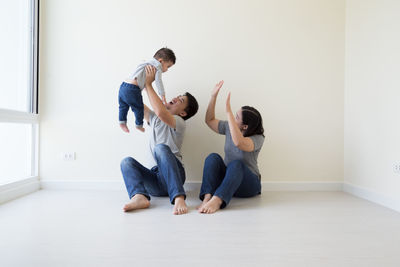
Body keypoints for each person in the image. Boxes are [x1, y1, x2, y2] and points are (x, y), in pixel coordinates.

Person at [121, 66, 199, 215]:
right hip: (155, 181)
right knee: (126, 162)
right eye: (177, 96)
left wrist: (150, 84)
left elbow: (162, 113)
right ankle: (140, 197)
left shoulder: (180, 122)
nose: (175, 98)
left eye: (180, 100)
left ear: (183, 112)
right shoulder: (155, 118)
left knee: (160, 148)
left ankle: (179, 196)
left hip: (174, 175)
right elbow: (136, 104)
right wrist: (134, 84)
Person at [198, 80, 265, 214]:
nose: (232, 118)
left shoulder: (258, 138)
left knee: (236, 164)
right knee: (213, 157)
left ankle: (217, 200)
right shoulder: (229, 127)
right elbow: (209, 120)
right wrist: (213, 96)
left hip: (249, 184)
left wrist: (228, 112)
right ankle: (208, 196)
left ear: (245, 126)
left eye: (236, 117)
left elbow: (239, 143)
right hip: (229, 181)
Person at [118, 47, 176, 133]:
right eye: (168, 66)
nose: (167, 70)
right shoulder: (157, 66)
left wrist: (144, 87)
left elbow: (139, 76)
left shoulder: (145, 62)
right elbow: (158, 82)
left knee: (123, 106)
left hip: (123, 86)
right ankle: (139, 125)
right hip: (132, 89)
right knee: (138, 108)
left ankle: (122, 121)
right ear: (160, 61)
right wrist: (162, 95)